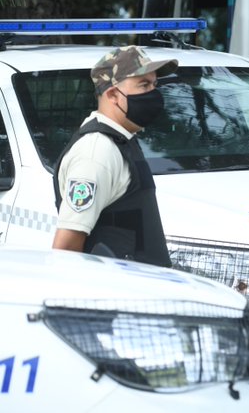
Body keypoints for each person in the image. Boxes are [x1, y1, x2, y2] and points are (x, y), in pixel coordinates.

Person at [52, 45, 178, 266]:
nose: (154, 93)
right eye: (144, 85)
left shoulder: (121, 140)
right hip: (112, 295)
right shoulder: (96, 153)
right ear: (112, 95)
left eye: (154, 84)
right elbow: (66, 247)